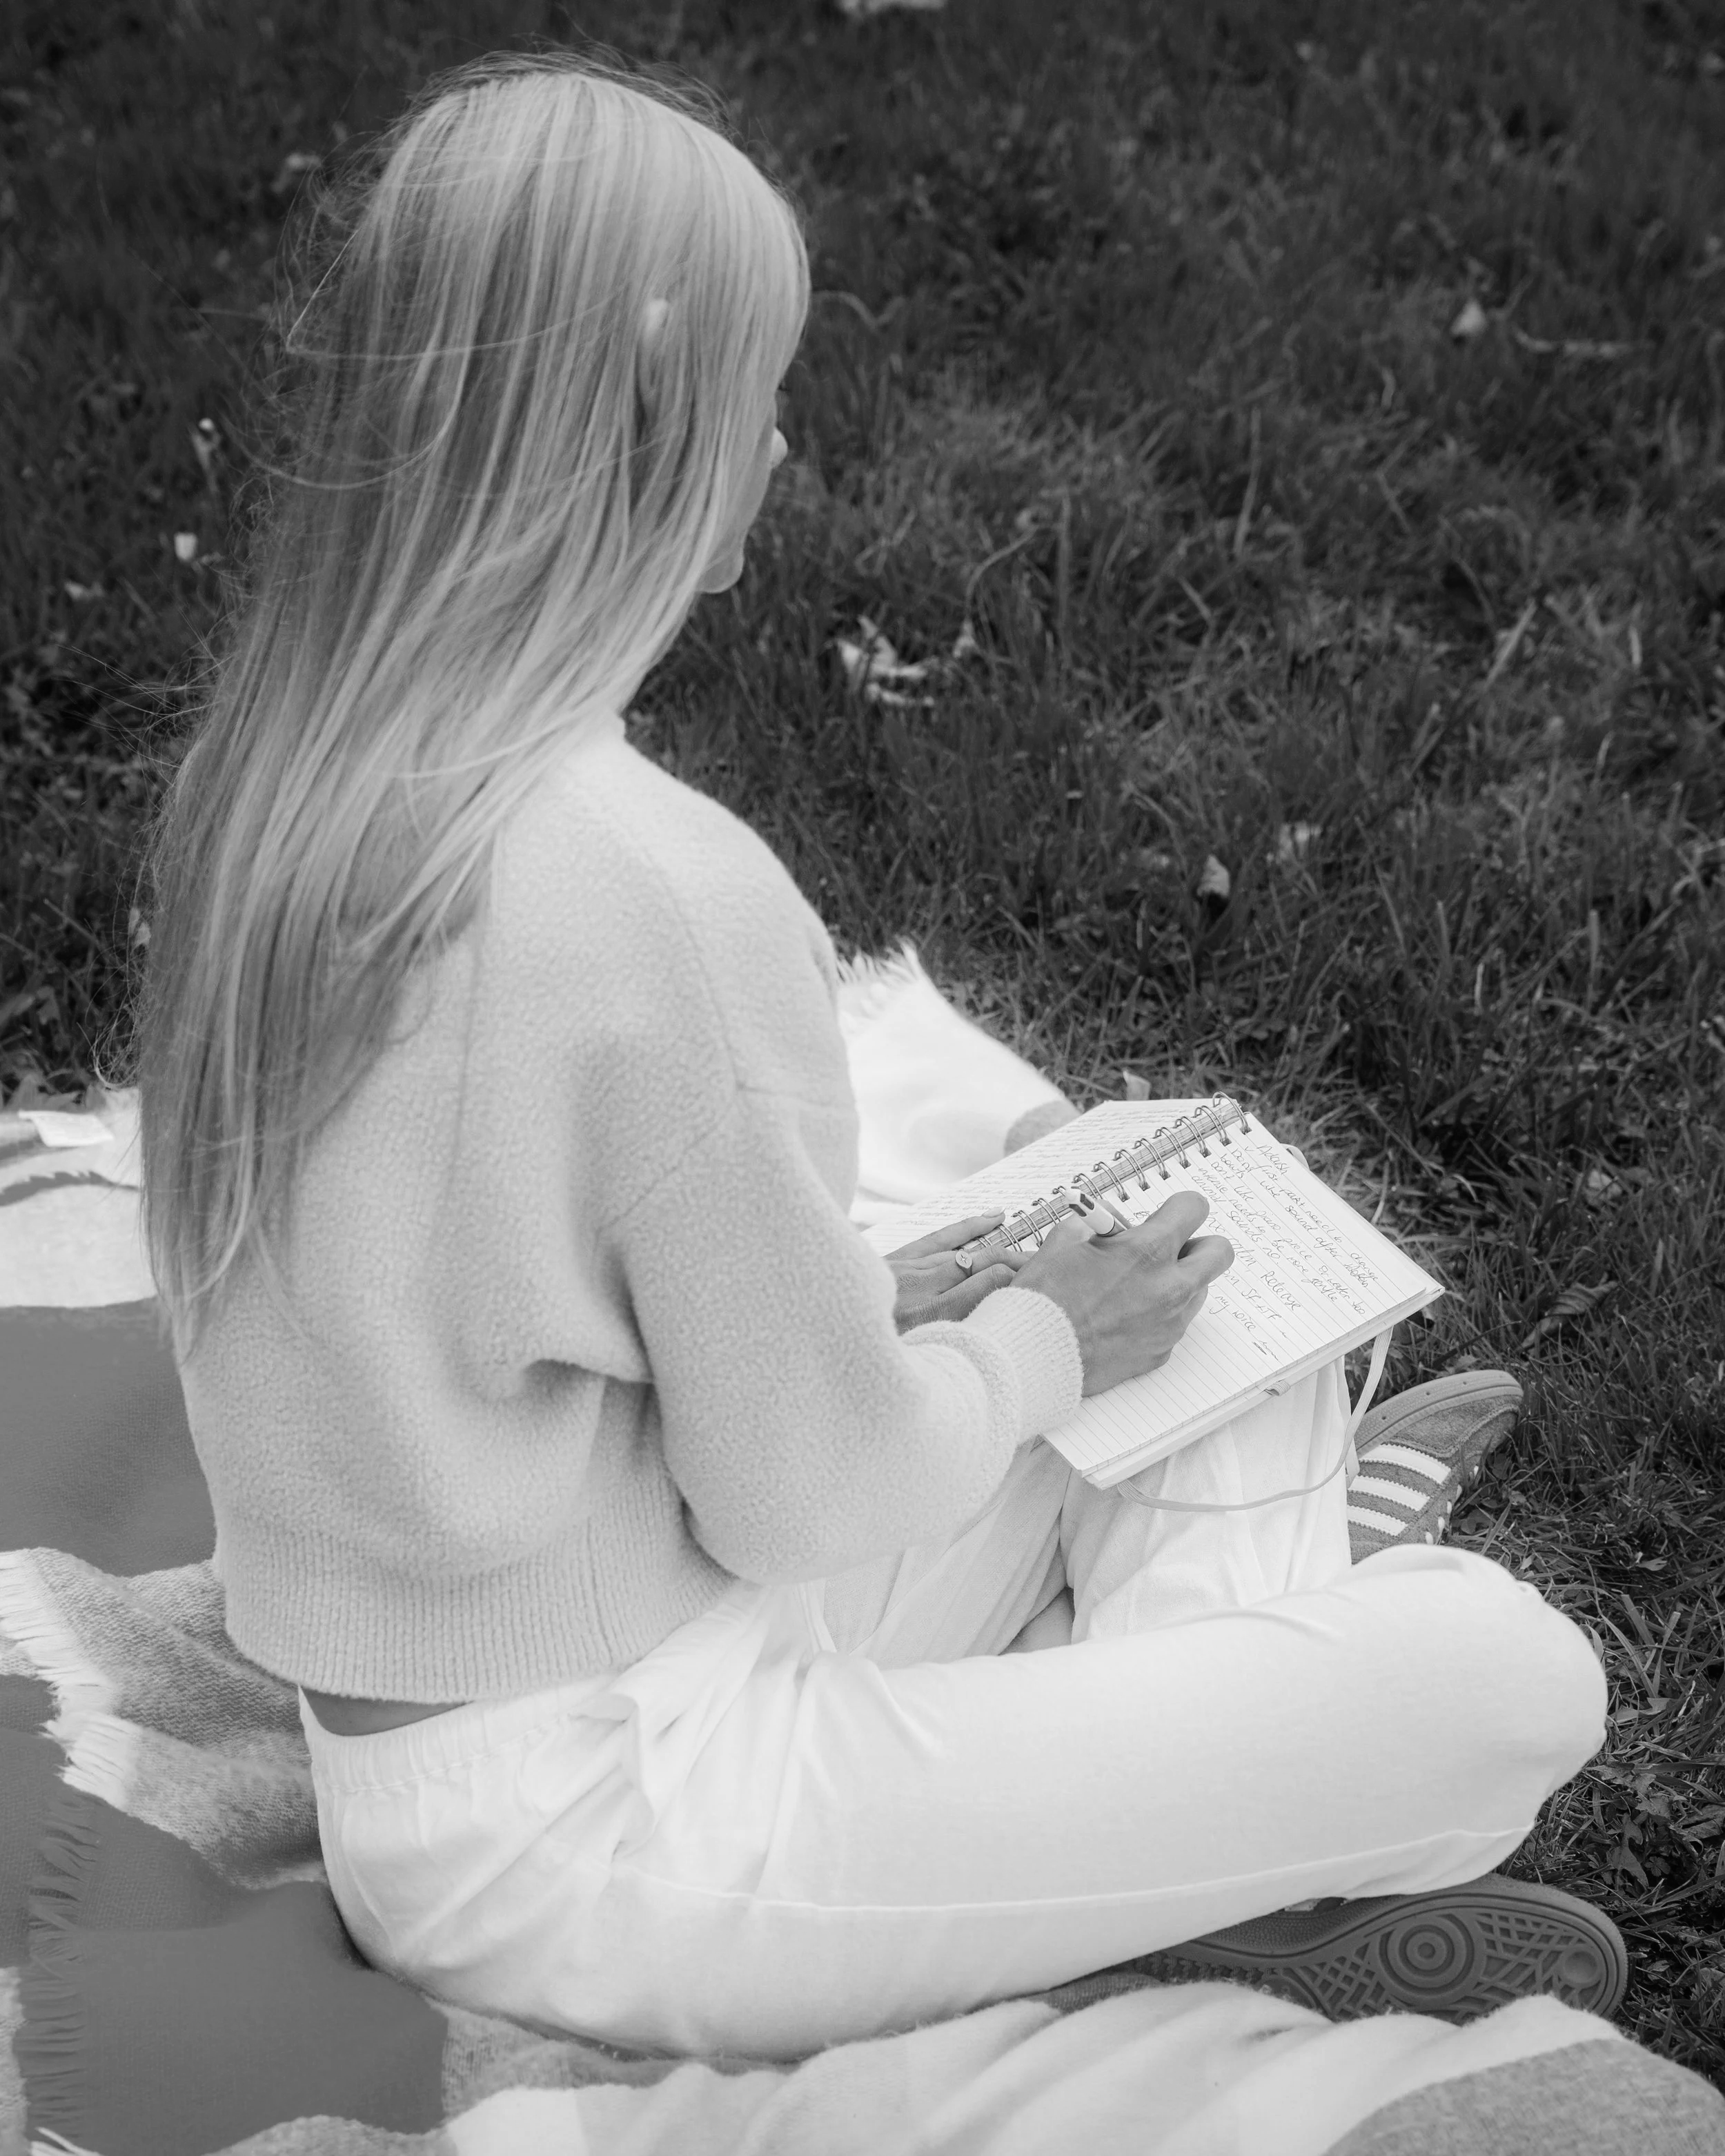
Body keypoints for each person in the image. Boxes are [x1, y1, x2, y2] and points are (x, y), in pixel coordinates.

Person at [132, 50, 1617, 2086]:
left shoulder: (270, 791)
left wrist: (901, 1306)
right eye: (759, 387)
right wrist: (1021, 1352)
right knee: (1507, 1680)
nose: (773, 443)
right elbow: (808, 1490)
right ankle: (1222, 1777)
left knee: (1142, 1195)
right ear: (657, 408)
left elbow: (510, 1304)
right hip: (619, 1827)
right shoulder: (645, 886)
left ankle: (1202, 1706)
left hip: (523, 1680)